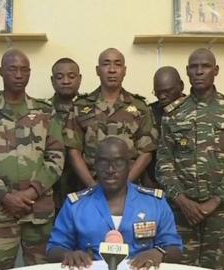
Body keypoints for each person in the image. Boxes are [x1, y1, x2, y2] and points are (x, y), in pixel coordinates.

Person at [0, 49, 65, 269]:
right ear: (1, 72)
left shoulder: (45, 112)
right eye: (12, 69)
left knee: (42, 268)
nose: (19, 75)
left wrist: (31, 192)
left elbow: (56, 158)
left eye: (24, 69)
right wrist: (6, 196)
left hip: (38, 212)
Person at [156, 48, 224, 269]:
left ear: (215, 70)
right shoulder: (173, 113)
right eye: (193, 67)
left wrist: (214, 201)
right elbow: (163, 163)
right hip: (181, 213)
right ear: (187, 72)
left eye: (205, 66)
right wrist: (182, 200)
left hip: (221, 213)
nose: (199, 71)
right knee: (179, 266)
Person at [47, 137, 183, 270]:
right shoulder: (75, 205)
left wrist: (159, 253)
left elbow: (175, 248)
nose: (110, 169)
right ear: (95, 165)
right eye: (103, 162)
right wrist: (68, 255)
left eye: (118, 162)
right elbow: (53, 249)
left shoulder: (155, 203)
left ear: (129, 165)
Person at [64, 48, 158, 188]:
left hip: (129, 188)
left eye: (117, 64)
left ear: (124, 70)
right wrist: (91, 186)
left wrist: (125, 185)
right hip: (90, 187)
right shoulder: (80, 106)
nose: (112, 70)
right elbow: (73, 151)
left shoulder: (140, 107)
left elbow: (147, 152)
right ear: (97, 70)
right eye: (106, 64)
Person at [49, 58, 83, 209]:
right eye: (59, 77)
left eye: (71, 76)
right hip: (52, 190)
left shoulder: (91, 108)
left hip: (85, 185)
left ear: (80, 79)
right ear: (52, 80)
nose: (66, 81)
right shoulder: (41, 111)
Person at [146, 66, 185, 187]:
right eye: (158, 92)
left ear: (181, 86)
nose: (162, 96)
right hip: (156, 184)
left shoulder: (195, 110)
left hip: (188, 185)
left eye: (167, 91)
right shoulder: (149, 112)